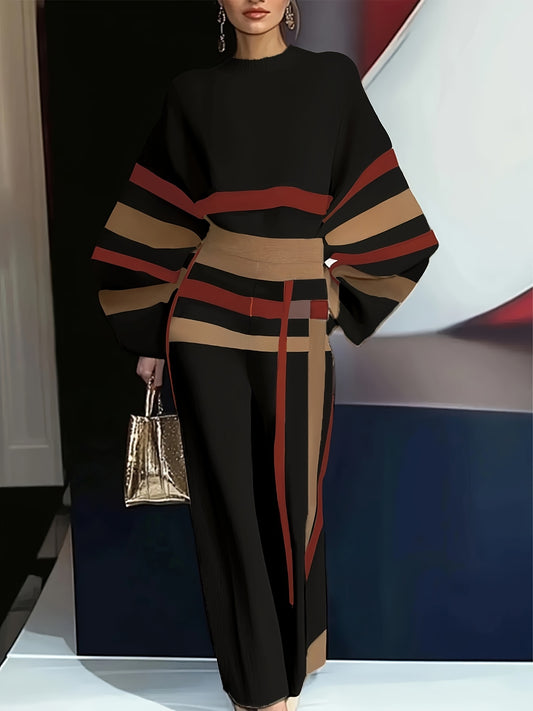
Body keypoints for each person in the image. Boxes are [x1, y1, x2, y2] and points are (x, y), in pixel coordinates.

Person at [90, 1, 439, 709]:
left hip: (295, 323)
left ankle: (291, 656)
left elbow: (389, 217)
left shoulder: (329, 81)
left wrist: (329, 294)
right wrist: (150, 336)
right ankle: (258, 685)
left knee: (290, 498)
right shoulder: (192, 92)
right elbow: (158, 215)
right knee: (226, 504)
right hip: (203, 325)